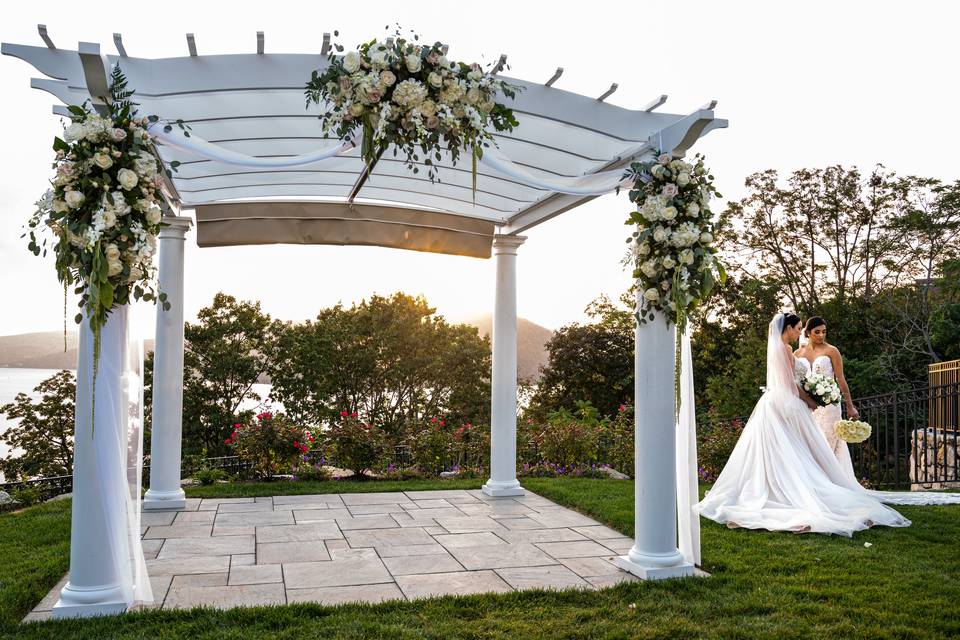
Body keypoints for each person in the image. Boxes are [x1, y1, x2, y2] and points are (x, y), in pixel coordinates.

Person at [696, 312, 960, 537]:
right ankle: (798, 489)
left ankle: (770, 487)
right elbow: (791, 383)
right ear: (791, 328)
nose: (801, 332)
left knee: (778, 448)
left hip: (772, 402)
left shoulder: (785, 348)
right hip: (791, 401)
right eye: (799, 328)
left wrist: (833, 399)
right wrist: (810, 400)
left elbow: (794, 381)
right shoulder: (788, 349)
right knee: (797, 448)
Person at [794, 317, 858, 483]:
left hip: (830, 405)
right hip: (808, 406)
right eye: (817, 332)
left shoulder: (832, 351)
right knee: (811, 445)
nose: (821, 335)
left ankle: (832, 483)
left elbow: (841, 380)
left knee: (828, 445)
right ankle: (815, 484)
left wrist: (850, 406)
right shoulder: (797, 354)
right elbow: (795, 382)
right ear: (808, 333)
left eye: (824, 331)